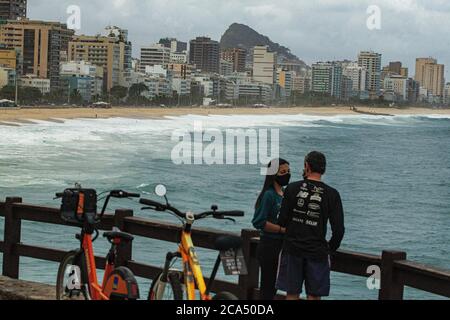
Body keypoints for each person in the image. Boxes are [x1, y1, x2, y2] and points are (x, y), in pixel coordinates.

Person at [276, 151, 345, 300]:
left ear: (306, 166)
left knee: (292, 294)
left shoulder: (292, 188)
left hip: (292, 248)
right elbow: (339, 230)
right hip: (317, 251)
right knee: (314, 296)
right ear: (324, 169)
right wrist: (329, 248)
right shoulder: (332, 194)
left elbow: (281, 220)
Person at [252, 158, 291, 300]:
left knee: (275, 287)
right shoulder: (269, 195)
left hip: (282, 247)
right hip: (269, 245)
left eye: (288, 171)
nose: (287, 174)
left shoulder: (287, 193)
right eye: (283, 172)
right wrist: (281, 230)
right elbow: (258, 221)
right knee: (267, 288)